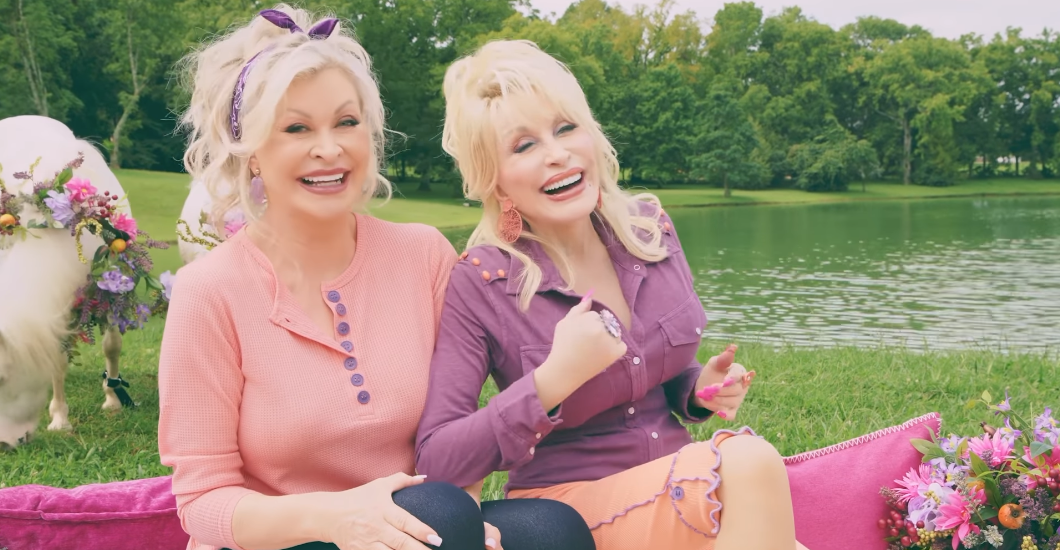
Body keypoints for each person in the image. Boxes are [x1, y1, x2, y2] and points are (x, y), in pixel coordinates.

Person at [159, 9, 594, 550]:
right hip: (287, 538)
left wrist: (470, 512)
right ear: (249, 154)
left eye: (346, 122)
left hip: (429, 523)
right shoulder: (210, 291)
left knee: (551, 530)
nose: (330, 148)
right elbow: (202, 502)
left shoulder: (423, 255)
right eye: (297, 128)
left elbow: (454, 433)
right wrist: (336, 519)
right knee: (437, 512)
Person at [415, 40, 805, 550]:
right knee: (750, 462)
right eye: (523, 145)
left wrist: (696, 389)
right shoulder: (483, 280)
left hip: (681, 484)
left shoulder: (650, 230)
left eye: (565, 128)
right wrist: (553, 379)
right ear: (496, 181)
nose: (557, 154)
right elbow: (438, 458)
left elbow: (647, 378)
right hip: (572, 507)